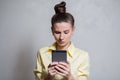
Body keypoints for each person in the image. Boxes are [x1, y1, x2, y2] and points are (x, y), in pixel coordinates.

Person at [34, 1, 89, 80]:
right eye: (57, 32)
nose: (61, 37)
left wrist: (69, 76)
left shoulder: (83, 56)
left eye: (66, 32)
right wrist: (49, 77)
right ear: (52, 30)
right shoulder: (42, 53)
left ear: (73, 30)